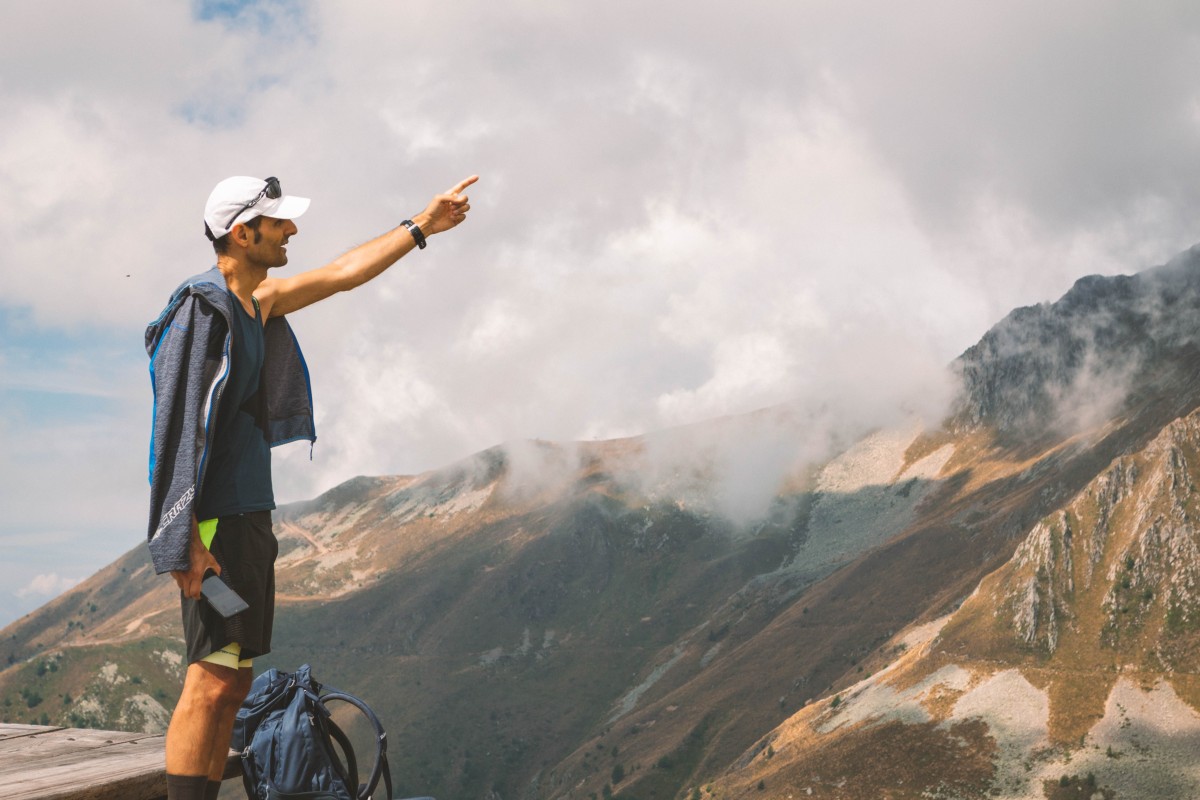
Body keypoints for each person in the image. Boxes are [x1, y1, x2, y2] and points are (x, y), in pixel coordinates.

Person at [144, 172, 476, 800]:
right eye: (278, 222)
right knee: (209, 681)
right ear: (243, 234)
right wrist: (179, 541)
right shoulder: (203, 308)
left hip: (248, 514)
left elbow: (343, 273)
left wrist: (421, 226)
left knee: (234, 682)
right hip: (211, 520)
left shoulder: (256, 302)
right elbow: (176, 424)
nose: (292, 229)